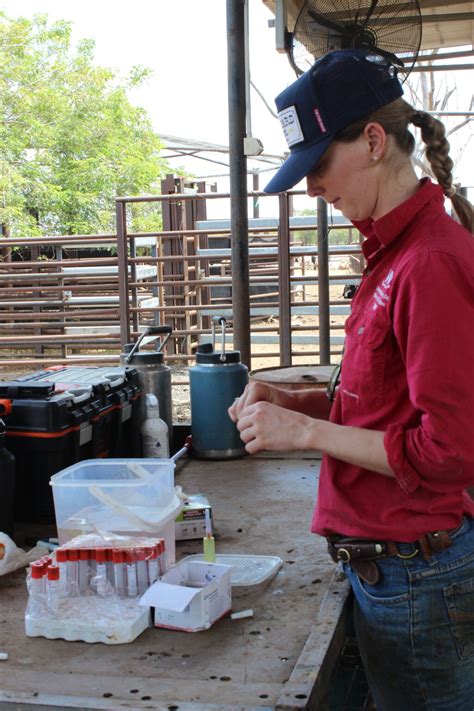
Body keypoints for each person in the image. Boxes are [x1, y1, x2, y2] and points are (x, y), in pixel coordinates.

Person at [228, 49, 474, 711]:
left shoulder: (429, 261)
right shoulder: (392, 253)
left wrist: (305, 429)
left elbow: (447, 452)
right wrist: (293, 399)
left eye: (317, 167)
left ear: (371, 141)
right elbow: (380, 401)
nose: (312, 188)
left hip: (416, 573)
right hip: (390, 567)